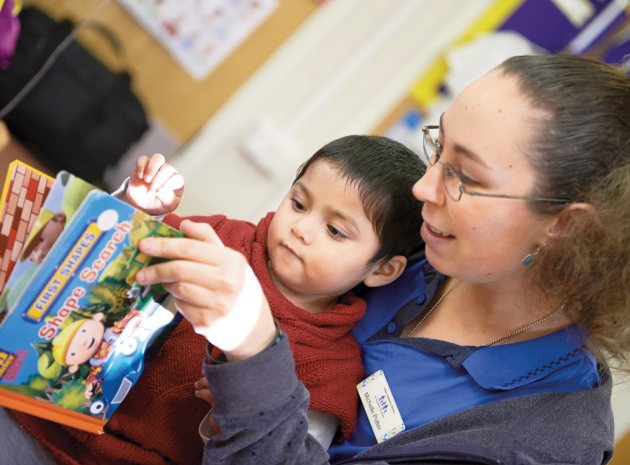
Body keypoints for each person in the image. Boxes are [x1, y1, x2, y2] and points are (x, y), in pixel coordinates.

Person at [131, 54, 629, 465]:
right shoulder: (423, 250)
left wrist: (255, 357)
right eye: (438, 146)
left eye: (465, 177)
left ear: (568, 226)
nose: (422, 187)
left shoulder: (536, 441)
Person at [2, 135, 424, 464]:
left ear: (382, 269)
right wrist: (139, 210)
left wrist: (228, 410)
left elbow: (276, 452)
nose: (302, 229)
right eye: (298, 203)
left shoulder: (332, 371)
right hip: (33, 409)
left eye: (336, 231)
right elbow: (105, 270)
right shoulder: (221, 238)